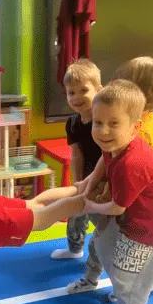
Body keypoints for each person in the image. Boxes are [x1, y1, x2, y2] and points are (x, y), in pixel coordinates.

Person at [81, 80, 153, 304]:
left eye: (113, 123)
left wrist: (88, 205)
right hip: (148, 218)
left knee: (125, 272)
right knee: (106, 244)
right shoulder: (114, 145)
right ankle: (149, 281)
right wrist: (89, 183)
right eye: (98, 122)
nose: (103, 131)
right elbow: (104, 162)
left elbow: (117, 208)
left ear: (135, 128)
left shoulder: (131, 163)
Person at [68, 56, 153, 296]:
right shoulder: (139, 118)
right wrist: (91, 180)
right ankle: (145, 277)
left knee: (108, 243)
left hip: (134, 203)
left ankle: (112, 283)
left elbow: (124, 172)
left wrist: (99, 198)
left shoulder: (137, 130)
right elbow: (107, 158)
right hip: (130, 197)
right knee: (108, 242)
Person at [50, 58, 103, 261]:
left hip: (104, 181)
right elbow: (76, 154)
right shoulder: (72, 123)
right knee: (75, 212)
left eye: (84, 90)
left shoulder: (103, 121)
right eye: (71, 92)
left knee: (101, 219)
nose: (77, 97)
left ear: (99, 90)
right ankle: (74, 249)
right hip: (85, 178)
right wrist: (77, 182)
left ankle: (106, 254)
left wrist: (98, 183)